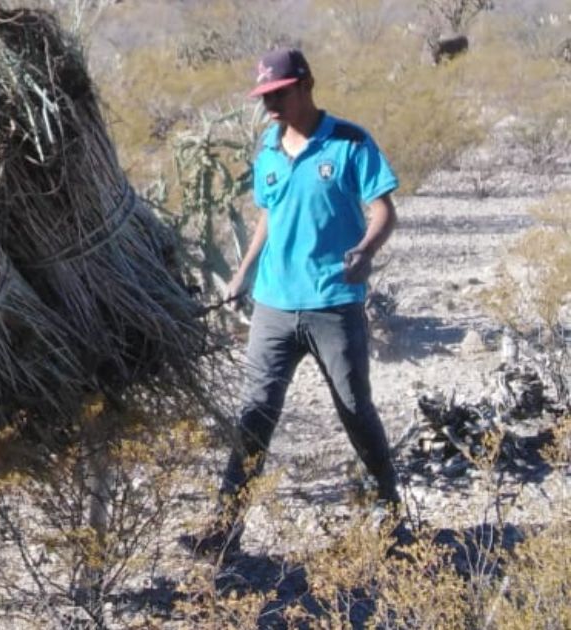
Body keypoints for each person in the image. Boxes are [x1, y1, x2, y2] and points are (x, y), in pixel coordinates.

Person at [181, 48, 405, 560]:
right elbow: (269, 216)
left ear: (305, 84)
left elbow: (383, 210)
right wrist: (242, 274)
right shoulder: (267, 150)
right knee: (254, 415)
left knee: (354, 410)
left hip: (333, 303)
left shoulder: (349, 141)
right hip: (274, 308)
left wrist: (366, 250)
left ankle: (390, 518)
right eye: (264, 97)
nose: (270, 105)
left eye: (278, 94)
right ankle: (224, 529)